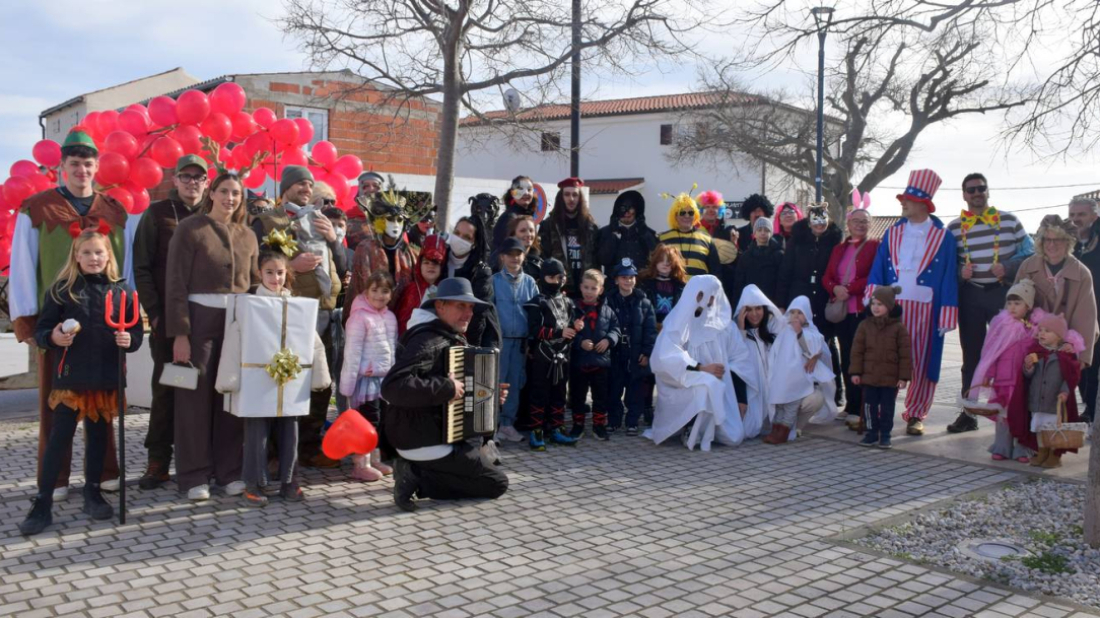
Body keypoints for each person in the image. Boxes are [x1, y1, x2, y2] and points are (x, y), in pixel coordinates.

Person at [9, 129, 132, 502]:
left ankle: (106, 472)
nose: (81, 170)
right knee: (56, 404)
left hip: (104, 321)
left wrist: (126, 313)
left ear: (97, 168)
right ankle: (56, 478)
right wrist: (28, 320)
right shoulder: (38, 208)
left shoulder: (113, 210)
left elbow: (122, 266)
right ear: (61, 167)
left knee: (104, 402)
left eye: (88, 164)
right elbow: (22, 265)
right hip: (59, 323)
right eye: (74, 164)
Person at [18, 227, 143, 536]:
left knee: (99, 436)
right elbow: (43, 331)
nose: (93, 257)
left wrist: (130, 339)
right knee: (60, 438)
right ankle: (43, 500)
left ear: (108, 256)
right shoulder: (62, 290)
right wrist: (54, 336)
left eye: (99, 252)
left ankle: (92, 490)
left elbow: (137, 333)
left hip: (105, 375)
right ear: (76, 256)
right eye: (86, 252)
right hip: (71, 377)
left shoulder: (123, 291)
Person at [166, 172, 259, 501]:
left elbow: (257, 282)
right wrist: (180, 334)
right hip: (198, 322)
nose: (230, 198)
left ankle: (229, 472)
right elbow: (175, 283)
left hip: (237, 324)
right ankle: (193, 476)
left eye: (235, 193)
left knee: (230, 397)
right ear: (212, 194)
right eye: (224, 191)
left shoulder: (247, 235)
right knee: (193, 400)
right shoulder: (190, 229)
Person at [381, 278, 510, 512]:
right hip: (420, 436)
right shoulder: (427, 340)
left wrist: (489, 396)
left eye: (470, 307)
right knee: (496, 483)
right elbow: (393, 387)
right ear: (440, 306)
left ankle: (419, 473)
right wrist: (445, 388)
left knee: (485, 468)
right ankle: (416, 475)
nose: (468, 313)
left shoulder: (447, 335)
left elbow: (459, 387)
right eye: (460, 306)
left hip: (436, 431)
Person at [253, 165, 343, 468]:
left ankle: (309, 446)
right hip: (290, 312)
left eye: (309, 183)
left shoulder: (321, 219)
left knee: (321, 384)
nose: (306, 188)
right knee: (286, 380)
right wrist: (292, 265)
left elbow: (342, 266)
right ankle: (276, 452)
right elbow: (260, 266)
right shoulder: (268, 221)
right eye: (299, 184)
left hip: (326, 310)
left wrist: (334, 241)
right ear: (285, 188)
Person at [132, 154, 208, 490]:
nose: (192, 182)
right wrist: (156, 311)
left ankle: (200, 460)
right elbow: (142, 267)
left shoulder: (215, 213)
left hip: (207, 320)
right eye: (186, 176)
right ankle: (159, 460)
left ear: (206, 182)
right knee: (168, 389)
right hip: (168, 321)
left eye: (199, 177)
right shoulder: (157, 213)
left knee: (203, 391)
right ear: (175, 179)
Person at [866, 169, 959, 436]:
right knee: (887, 359)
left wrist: (946, 313)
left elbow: (949, 276)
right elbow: (878, 270)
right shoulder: (892, 234)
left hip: (926, 309)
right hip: (893, 307)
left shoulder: (943, 237)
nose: (902, 203)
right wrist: (874, 301)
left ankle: (916, 413)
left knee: (922, 360)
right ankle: (882, 409)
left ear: (922, 203)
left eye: (907, 199)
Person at [237, 250, 331, 506]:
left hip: (289, 379)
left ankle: (291, 482)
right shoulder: (249, 303)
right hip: (257, 378)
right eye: (269, 272)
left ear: (286, 274)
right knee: (257, 432)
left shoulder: (297, 304)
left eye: (280, 272)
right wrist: (230, 378)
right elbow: (236, 338)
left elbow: (311, 339)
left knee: (290, 429)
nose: (275, 278)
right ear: (259, 273)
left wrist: (320, 374)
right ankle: (254, 484)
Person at [945, 173, 1035, 435]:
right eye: (971, 190)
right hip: (971, 296)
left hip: (1003, 296)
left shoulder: (1009, 221)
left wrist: (1007, 267)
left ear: (987, 191)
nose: (976, 193)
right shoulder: (953, 228)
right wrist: (960, 270)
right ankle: (968, 413)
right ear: (963, 194)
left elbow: (1030, 254)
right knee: (971, 356)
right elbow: (946, 265)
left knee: (1011, 354)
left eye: (981, 188)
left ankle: (1016, 414)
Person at [967, 279, 1082, 462]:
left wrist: (1068, 345)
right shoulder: (1001, 325)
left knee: (1023, 413)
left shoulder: (1036, 328)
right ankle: (1002, 446)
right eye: (1009, 303)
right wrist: (989, 374)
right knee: (1004, 414)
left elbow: (1052, 340)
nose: (1012, 307)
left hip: (1025, 379)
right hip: (1004, 380)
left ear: (1028, 305)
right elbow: (992, 351)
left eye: (1017, 303)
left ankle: (1023, 447)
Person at [649, 275, 744, 451]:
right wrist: (701, 368)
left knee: (734, 435)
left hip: (723, 385)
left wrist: (742, 397)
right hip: (683, 380)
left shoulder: (726, 327)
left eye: (714, 295)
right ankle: (690, 428)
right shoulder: (679, 322)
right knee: (705, 386)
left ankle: (710, 426)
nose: (709, 300)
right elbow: (665, 357)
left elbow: (741, 361)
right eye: (705, 295)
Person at [777, 203, 844, 408]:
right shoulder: (797, 242)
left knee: (827, 344)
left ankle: (835, 390)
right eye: (816, 221)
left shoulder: (834, 243)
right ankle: (801, 390)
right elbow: (785, 272)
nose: (820, 225)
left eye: (823, 221)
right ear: (809, 222)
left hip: (823, 299)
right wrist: (781, 303)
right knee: (800, 343)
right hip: (800, 297)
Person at [822, 197, 880, 428]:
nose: (860, 225)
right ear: (849, 224)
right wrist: (834, 288)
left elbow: (874, 276)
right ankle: (850, 405)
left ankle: (860, 407)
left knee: (861, 360)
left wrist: (850, 289)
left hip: (861, 312)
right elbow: (828, 276)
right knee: (847, 358)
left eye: (865, 221)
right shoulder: (839, 248)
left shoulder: (876, 246)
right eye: (856, 221)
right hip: (843, 312)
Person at [1015, 215, 1098, 372]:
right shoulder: (1027, 266)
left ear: (1067, 242)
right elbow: (1014, 307)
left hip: (1064, 348)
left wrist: (1076, 350)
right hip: (1030, 346)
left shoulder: (1082, 273)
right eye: (1047, 239)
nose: (1051, 245)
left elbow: (1086, 318)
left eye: (1058, 240)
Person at [340, 270, 399, 482]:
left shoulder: (390, 317)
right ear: (366, 291)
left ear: (391, 294)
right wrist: (347, 386)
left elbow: (392, 348)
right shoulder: (359, 318)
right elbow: (352, 353)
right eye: (374, 290)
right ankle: (360, 464)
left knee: (380, 420)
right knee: (367, 422)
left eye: (385, 291)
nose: (379, 295)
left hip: (383, 381)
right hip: (365, 381)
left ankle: (374, 459)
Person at [762, 297, 837, 444]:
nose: (795, 316)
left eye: (800, 313)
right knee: (780, 406)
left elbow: (813, 349)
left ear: (807, 314)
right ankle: (775, 430)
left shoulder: (811, 333)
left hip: (798, 380)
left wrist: (800, 333)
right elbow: (776, 352)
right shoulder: (784, 331)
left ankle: (784, 432)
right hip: (783, 379)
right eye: (793, 312)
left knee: (791, 407)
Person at [524, 258, 582, 450]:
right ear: (542, 278)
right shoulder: (537, 302)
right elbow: (534, 330)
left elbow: (570, 327)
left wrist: (576, 327)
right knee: (539, 393)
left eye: (560, 277)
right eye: (551, 277)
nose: (556, 281)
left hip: (563, 354)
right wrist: (559, 333)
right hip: (542, 355)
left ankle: (556, 429)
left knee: (559, 393)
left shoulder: (568, 302)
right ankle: (536, 431)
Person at [1012, 314, 1083, 469]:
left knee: (1053, 428)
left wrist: (1065, 392)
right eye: (1041, 330)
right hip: (1037, 400)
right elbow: (1027, 376)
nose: (1041, 334)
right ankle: (1041, 452)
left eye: (1047, 331)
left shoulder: (1066, 355)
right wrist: (1028, 367)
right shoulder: (1036, 352)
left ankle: (1054, 455)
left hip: (1054, 401)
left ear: (1058, 336)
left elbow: (1070, 377)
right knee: (1039, 427)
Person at [849, 286, 911, 449]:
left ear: (889, 307)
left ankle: (885, 434)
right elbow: (857, 350)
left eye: (880, 304)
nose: (875, 307)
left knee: (887, 407)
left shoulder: (899, 328)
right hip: (869, 376)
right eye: (873, 303)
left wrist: (903, 377)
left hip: (889, 378)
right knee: (869, 406)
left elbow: (905, 354)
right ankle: (871, 433)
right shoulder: (864, 325)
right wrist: (856, 372)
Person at [345, 183, 417, 317]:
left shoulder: (409, 253)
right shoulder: (366, 248)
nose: (395, 224)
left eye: (400, 220)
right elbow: (360, 287)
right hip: (368, 318)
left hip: (401, 318)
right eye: (390, 219)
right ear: (380, 222)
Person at [492, 237, 538, 442]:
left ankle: (508, 424)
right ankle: (491, 426)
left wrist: (531, 341)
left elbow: (536, 315)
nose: (514, 258)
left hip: (521, 343)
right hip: (500, 342)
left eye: (518, 254)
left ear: (524, 256)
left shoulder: (530, 282)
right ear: (502, 257)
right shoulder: (493, 281)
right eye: (509, 254)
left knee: (515, 384)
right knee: (496, 383)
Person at [605, 258, 656, 435]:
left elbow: (650, 330)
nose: (628, 280)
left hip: (636, 353)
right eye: (624, 277)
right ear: (616, 280)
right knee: (614, 389)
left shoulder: (644, 302)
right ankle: (613, 420)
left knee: (635, 390)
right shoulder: (608, 300)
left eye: (631, 277)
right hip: (615, 352)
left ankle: (632, 421)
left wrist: (647, 352)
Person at [638, 244, 688, 426]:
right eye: (662, 261)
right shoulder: (645, 283)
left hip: (672, 334)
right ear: (655, 262)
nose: (665, 265)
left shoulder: (681, 285)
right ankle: (646, 407)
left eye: (669, 262)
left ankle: (667, 408)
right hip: (652, 331)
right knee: (649, 371)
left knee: (670, 372)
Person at [568, 269, 620, 440]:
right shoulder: (572, 308)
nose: (589, 292)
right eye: (586, 287)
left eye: (593, 288)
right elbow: (566, 332)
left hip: (600, 361)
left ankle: (599, 425)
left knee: (600, 397)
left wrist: (609, 340)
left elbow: (616, 329)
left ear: (601, 290)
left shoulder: (607, 310)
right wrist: (579, 342)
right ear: (581, 287)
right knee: (578, 396)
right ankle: (578, 425)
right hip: (579, 362)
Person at [729, 284, 784, 440]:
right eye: (749, 310)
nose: (754, 314)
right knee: (744, 431)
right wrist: (740, 328)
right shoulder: (738, 335)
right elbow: (737, 360)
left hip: (773, 393)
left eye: (758, 309)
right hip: (748, 395)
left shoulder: (772, 335)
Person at [538, 177, 599, 298]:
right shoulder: (549, 225)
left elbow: (596, 260)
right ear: (561, 197)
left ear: (580, 198)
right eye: (567, 194)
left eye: (575, 195)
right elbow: (543, 257)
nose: (571, 199)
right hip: (560, 289)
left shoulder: (591, 226)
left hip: (586, 291)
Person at [446, 215, 499, 349]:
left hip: (472, 336)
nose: (459, 239)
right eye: (457, 233)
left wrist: (469, 348)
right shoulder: (440, 260)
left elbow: (478, 317)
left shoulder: (481, 271)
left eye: (467, 237)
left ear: (474, 243)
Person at [1069, 196, 1100, 421]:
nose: (1076, 220)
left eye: (1081, 215)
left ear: (1094, 216)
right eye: (1072, 215)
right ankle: (1090, 411)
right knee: (1085, 365)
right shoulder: (1064, 243)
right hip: (1080, 317)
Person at [658, 191, 720, 277]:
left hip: (699, 289)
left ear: (695, 216)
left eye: (691, 213)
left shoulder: (707, 239)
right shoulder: (662, 239)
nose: (686, 216)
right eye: (682, 212)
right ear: (675, 215)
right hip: (672, 289)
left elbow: (716, 272)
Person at [597, 190, 658, 273]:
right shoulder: (604, 233)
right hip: (614, 284)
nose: (627, 212)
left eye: (631, 208)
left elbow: (656, 259)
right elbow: (603, 260)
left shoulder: (649, 233)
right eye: (623, 208)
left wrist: (644, 234)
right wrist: (613, 236)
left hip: (642, 282)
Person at [395, 235, 446, 333]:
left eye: (435, 263)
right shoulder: (411, 290)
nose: (430, 266)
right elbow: (401, 324)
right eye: (426, 262)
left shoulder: (446, 292)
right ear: (420, 265)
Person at [733, 216, 784, 305]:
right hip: (751, 304)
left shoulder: (779, 255)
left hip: (772, 302)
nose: (763, 233)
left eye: (766, 230)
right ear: (754, 233)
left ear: (771, 233)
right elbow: (739, 283)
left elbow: (782, 282)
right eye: (759, 230)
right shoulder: (746, 256)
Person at [492, 175, 538, 253]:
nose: (526, 193)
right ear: (513, 192)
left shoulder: (528, 216)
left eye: (529, 189)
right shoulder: (509, 218)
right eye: (520, 189)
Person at [346, 170, 385, 250]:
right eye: (366, 186)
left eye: (376, 186)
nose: (371, 189)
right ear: (359, 191)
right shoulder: (346, 218)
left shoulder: (393, 218)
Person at [506, 215, 542, 280]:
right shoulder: (503, 260)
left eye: (531, 230)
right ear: (513, 234)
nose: (528, 234)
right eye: (522, 231)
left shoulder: (538, 263)